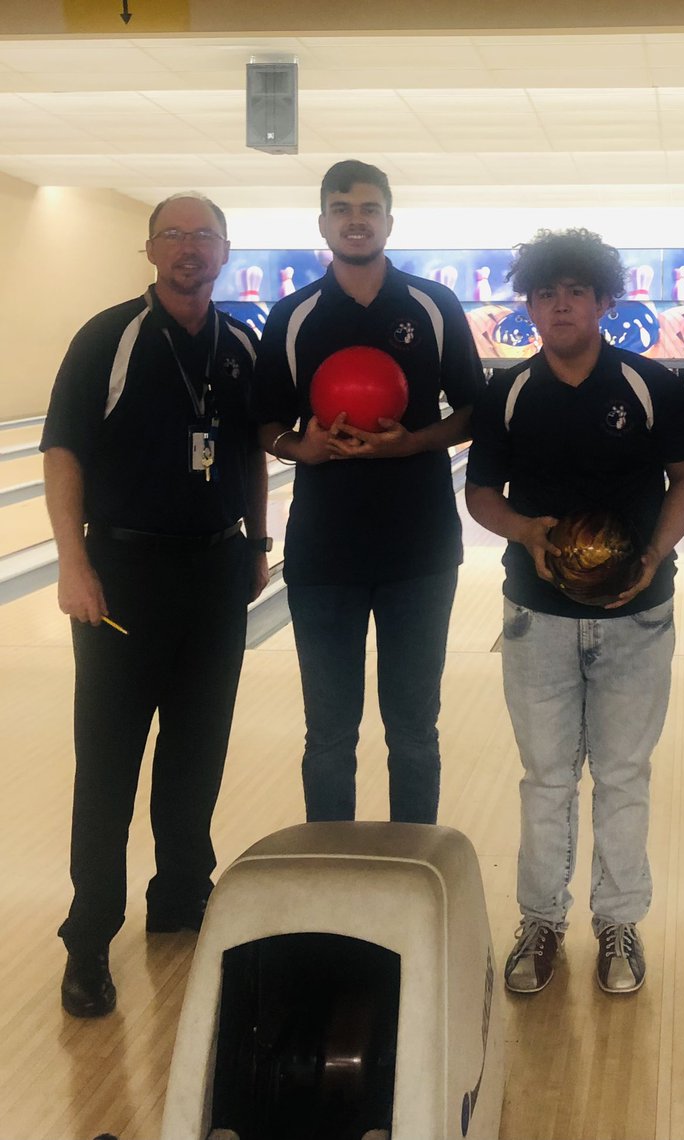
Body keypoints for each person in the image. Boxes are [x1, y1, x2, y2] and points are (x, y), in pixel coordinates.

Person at [42, 193, 270, 1018]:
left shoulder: (240, 343)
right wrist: (73, 564)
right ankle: (89, 938)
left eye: (203, 236)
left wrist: (256, 542)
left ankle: (180, 899)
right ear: (150, 249)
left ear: (224, 250)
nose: (189, 249)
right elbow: (63, 451)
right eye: (174, 235)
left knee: (196, 752)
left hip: (213, 576)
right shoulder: (109, 337)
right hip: (122, 574)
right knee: (108, 763)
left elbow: (247, 451)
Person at [465, 229, 684, 995]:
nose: (559, 304)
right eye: (545, 292)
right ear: (529, 303)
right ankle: (540, 921)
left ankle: (618, 921)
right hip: (535, 614)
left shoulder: (649, 385)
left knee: (625, 774)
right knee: (547, 778)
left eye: (575, 290)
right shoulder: (506, 391)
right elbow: (482, 495)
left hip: (639, 616)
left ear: (604, 299)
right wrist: (528, 532)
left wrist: (656, 554)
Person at [252, 160, 483, 824]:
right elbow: (266, 421)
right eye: (342, 208)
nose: (356, 219)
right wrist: (304, 447)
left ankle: (413, 874)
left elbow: (472, 408)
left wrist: (408, 442)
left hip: (420, 549)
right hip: (324, 552)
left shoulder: (434, 306)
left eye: (369, 208)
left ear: (389, 219)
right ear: (323, 221)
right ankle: (333, 877)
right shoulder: (293, 316)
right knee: (328, 735)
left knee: (414, 733)